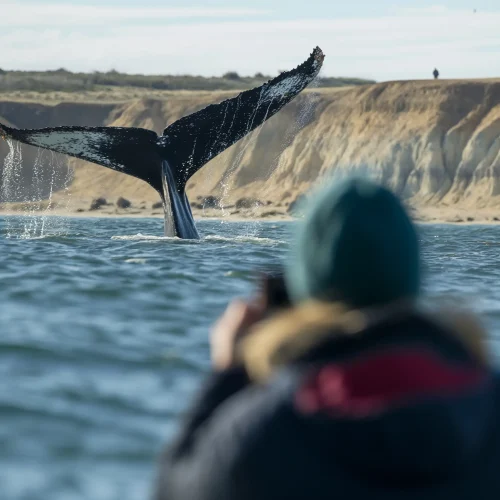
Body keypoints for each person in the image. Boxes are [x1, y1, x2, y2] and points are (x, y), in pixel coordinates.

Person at [154, 178, 498, 500]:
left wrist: (229, 373)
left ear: (303, 286)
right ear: (413, 276)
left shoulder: (266, 431)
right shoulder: (488, 403)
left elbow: (178, 489)